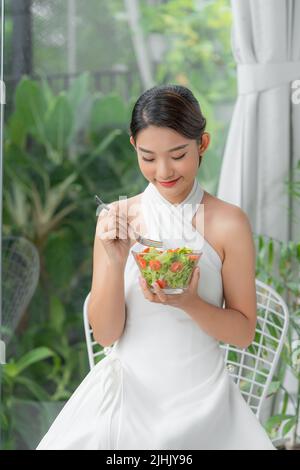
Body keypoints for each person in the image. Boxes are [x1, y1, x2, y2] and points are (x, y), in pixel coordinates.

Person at [36, 84, 276, 450]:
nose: (163, 170)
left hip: (204, 404)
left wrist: (188, 302)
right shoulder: (117, 218)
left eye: (178, 154)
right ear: (134, 147)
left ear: (203, 144)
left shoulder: (229, 223)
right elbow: (105, 334)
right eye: (148, 157)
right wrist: (115, 262)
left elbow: (243, 334)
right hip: (128, 398)